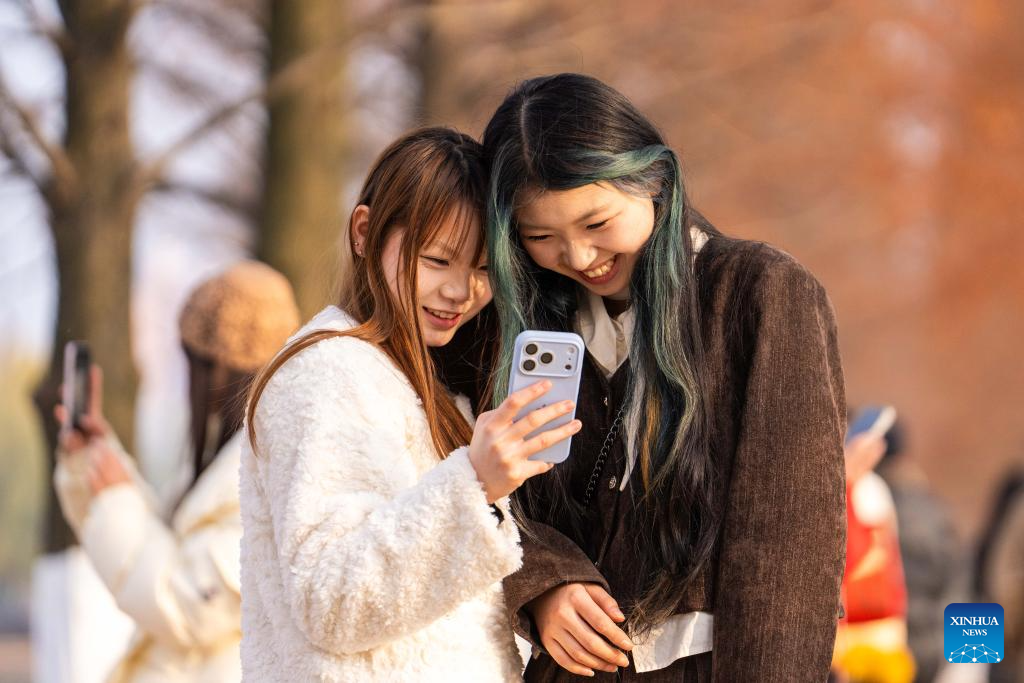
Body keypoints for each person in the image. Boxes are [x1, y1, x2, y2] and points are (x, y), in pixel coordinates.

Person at [447, 73, 848, 680]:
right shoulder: (511, 326)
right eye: (541, 237)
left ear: (655, 179)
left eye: (597, 223)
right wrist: (541, 579)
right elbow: (456, 479)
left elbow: (786, 550)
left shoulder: (759, 293)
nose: (578, 257)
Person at [239, 127, 580, 681]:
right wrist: (474, 483)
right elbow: (333, 598)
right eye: (438, 259)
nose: (459, 291)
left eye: (483, 269)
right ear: (364, 231)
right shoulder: (326, 373)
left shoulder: (421, 381)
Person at [53, 260, 301, 683]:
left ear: (213, 368)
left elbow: (186, 604)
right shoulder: (224, 461)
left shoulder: (273, 470)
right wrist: (97, 463)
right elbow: (166, 548)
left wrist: (115, 502)